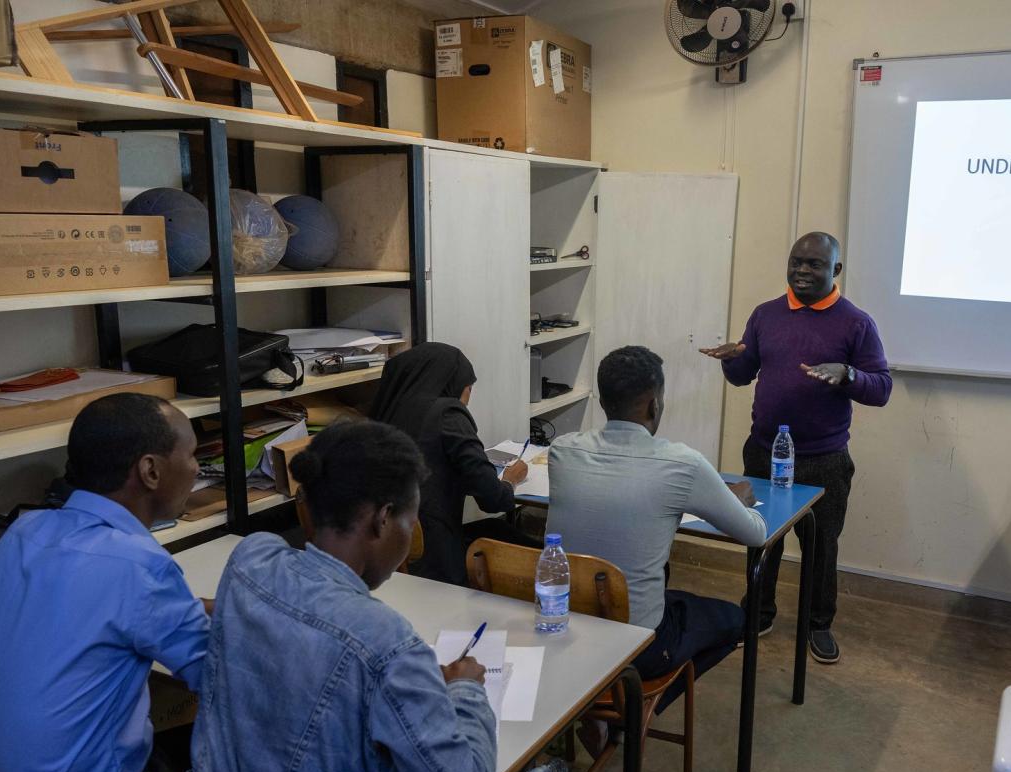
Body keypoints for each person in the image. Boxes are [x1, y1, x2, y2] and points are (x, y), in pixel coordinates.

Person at [188, 421, 496, 772]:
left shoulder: (251, 560)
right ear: (383, 519)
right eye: (411, 523)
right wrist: (465, 691)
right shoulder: (389, 641)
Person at [0, 393, 209, 772]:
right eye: (193, 456)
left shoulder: (24, 534)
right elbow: (216, 674)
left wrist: (200, 605)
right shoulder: (139, 565)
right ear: (150, 470)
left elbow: (94, 611)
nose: (198, 469)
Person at [701, 231, 892, 665]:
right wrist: (732, 359)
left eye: (814, 265)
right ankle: (759, 613)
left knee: (822, 546)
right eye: (796, 262)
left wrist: (847, 374)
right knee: (761, 535)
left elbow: (881, 389)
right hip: (764, 452)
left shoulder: (856, 322)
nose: (802, 271)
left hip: (824, 459)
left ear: (836, 271)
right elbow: (741, 376)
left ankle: (818, 624)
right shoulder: (766, 314)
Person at [548, 346, 767, 723]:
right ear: (654, 406)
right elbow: (755, 534)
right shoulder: (682, 463)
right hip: (638, 646)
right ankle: (639, 710)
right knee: (737, 619)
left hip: (564, 629)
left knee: (668, 593)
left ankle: (605, 710)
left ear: (603, 402)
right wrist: (738, 500)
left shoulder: (562, 450)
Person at [370, 342, 528, 584]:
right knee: (519, 543)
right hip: (435, 563)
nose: (468, 398)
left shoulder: (382, 414)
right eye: (469, 388)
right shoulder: (448, 414)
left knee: (496, 530)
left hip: (385, 558)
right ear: (452, 384)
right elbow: (492, 499)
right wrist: (509, 480)